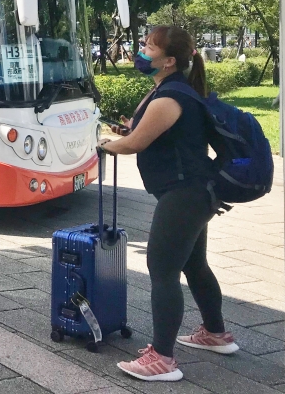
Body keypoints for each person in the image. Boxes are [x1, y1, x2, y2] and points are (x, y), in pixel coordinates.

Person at [99, 25, 237, 383]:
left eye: (149, 46)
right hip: (193, 191)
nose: (142, 51)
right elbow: (139, 132)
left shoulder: (170, 97)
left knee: (162, 269)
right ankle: (216, 334)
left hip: (184, 194)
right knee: (194, 265)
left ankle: (161, 359)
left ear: (170, 60)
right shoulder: (169, 90)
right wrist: (123, 133)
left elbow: (134, 144)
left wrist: (102, 145)